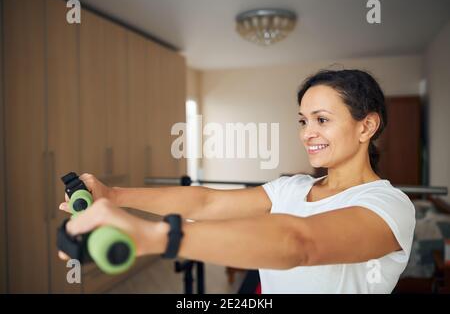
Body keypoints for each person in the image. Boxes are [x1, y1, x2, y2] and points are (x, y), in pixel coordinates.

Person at [58, 69, 415, 293]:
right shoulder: (291, 187)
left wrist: (153, 236)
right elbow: (207, 203)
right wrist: (112, 196)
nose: (308, 133)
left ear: (366, 126)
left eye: (322, 119)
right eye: (303, 121)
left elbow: (299, 243)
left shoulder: (388, 206)